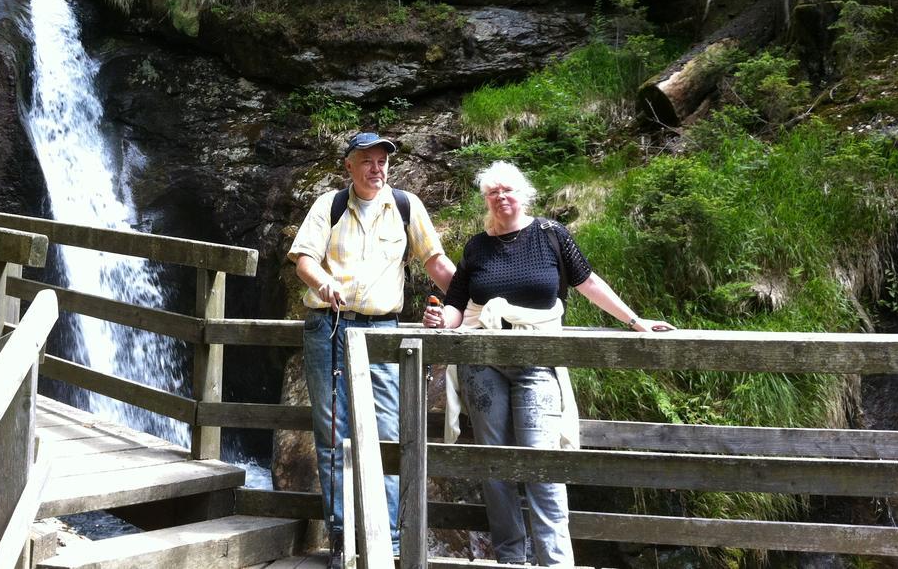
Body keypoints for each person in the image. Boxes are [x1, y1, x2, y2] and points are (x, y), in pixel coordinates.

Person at [423, 161, 674, 567]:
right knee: (495, 465)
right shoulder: (476, 246)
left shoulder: (550, 235)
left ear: (523, 193)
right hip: (482, 364)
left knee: (543, 464)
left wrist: (633, 320)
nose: (501, 198)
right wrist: (439, 321)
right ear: (486, 200)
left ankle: (556, 562)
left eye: (507, 190)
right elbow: (456, 305)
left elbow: (588, 282)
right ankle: (510, 559)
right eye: (492, 193)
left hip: (537, 360)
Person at [288, 131, 455, 564]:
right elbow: (304, 257)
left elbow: (435, 262)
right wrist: (323, 283)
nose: (376, 168)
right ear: (349, 165)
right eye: (367, 160)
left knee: (388, 434)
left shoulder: (406, 206)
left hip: (383, 332)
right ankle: (344, 540)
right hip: (330, 327)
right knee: (332, 434)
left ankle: (390, 545)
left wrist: (471, 297)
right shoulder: (329, 205)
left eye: (382, 161)